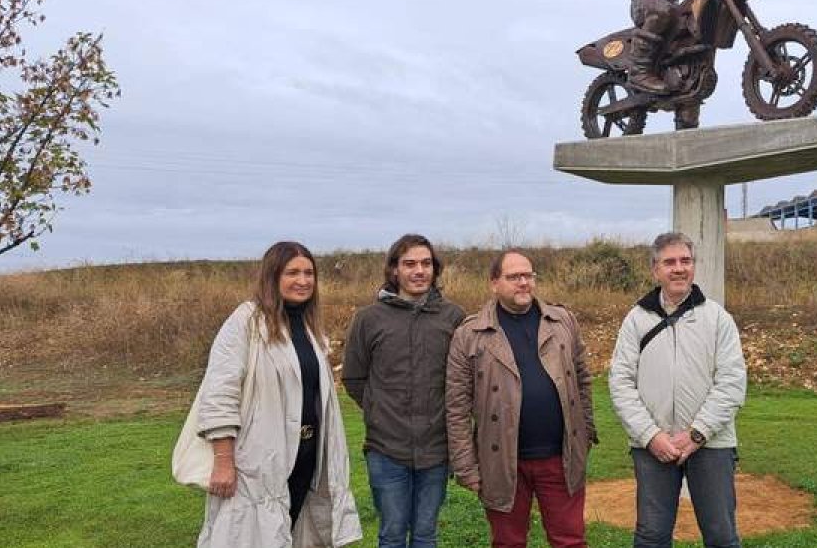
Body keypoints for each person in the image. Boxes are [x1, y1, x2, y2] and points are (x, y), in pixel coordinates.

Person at [194, 241, 362, 548]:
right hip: (259, 459)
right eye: (292, 272)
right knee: (248, 535)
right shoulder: (247, 321)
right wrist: (223, 460)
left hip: (306, 457)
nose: (303, 280)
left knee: (293, 530)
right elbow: (220, 392)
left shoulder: (310, 328)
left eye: (309, 273)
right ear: (273, 276)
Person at [445, 249, 597, 548]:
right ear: (494, 283)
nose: (523, 282)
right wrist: (466, 466)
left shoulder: (562, 320)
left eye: (528, 275)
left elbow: (582, 381)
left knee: (570, 540)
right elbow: (456, 406)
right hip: (501, 461)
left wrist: (586, 434)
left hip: (560, 457)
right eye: (514, 277)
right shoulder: (469, 334)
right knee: (508, 543)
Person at [608, 232, 747, 548]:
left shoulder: (717, 319)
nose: (679, 268)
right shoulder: (636, 320)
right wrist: (650, 436)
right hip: (653, 447)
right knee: (651, 537)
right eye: (669, 262)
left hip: (712, 445)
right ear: (655, 270)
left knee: (722, 536)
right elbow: (620, 383)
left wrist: (697, 433)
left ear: (693, 267)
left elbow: (732, 382)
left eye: (685, 261)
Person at [342, 235, 466, 548]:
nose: (419, 271)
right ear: (394, 270)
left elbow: (465, 379)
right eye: (409, 263)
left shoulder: (453, 318)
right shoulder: (369, 319)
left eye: (426, 264)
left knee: (426, 534)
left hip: (437, 449)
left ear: (435, 270)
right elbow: (355, 378)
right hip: (386, 450)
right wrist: (379, 411)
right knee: (392, 534)